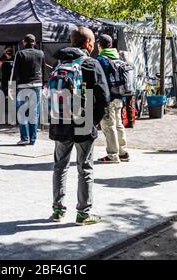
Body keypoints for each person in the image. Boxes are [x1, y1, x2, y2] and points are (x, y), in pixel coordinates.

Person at [50, 26, 110, 226]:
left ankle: (58, 210)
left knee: (60, 166)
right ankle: (83, 214)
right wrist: (93, 120)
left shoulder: (59, 63)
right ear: (87, 43)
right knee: (85, 168)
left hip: (60, 120)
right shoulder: (91, 64)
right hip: (83, 120)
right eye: (92, 42)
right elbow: (103, 97)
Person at [96, 34, 129, 164]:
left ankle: (112, 154)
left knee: (108, 125)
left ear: (99, 45)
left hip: (108, 97)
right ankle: (123, 152)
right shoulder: (118, 57)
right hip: (119, 97)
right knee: (118, 124)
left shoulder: (100, 59)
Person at [10, 34, 47, 146]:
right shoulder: (41, 53)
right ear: (34, 42)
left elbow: (14, 71)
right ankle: (33, 139)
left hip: (23, 86)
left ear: (24, 42)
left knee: (22, 112)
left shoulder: (20, 53)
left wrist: (11, 86)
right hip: (37, 85)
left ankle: (24, 138)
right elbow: (44, 69)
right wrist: (44, 84)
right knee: (34, 112)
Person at [119, 51, 135, 128]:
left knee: (122, 106)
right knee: (129, 105)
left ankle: (121, 122)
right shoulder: (132, 65)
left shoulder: (120, 65)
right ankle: (131, 122)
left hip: (123, 88)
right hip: (131, 88)